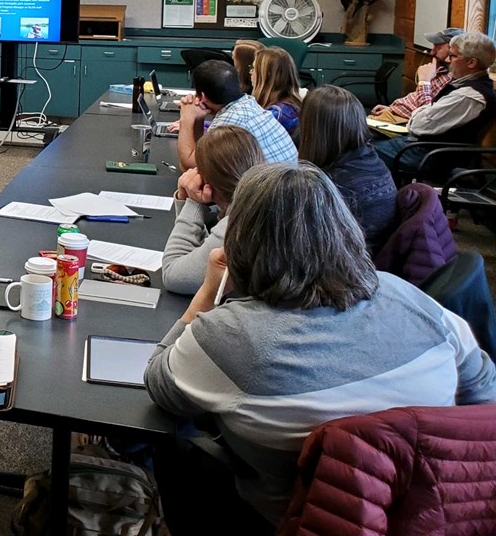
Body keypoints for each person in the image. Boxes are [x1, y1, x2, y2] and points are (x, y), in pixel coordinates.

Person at [144, 162, 496, 534]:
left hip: (284, 520)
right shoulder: (409, 297)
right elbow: (483, 397)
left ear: (240, 243)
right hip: (429, 518)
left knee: (172, 444)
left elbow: (158, 381)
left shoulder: (231, 335)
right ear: (344, 229)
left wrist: (207, 292)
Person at [373, 31, 496, 175]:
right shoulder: (465, 85)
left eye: (453, 56)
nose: (448, 60)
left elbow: (418, 126)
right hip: (422, 146)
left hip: (429, 155)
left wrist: (423, 87)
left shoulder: (469, 95)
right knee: (363, 142)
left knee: (360, 153)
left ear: (471, 62)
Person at [162, 126, 263, 295]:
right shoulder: (257, 199)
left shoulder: (239, 222)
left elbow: (173, 275)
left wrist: (193, 203)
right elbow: (200, 254)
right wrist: (185, 199)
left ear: (207, 181)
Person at [298, 85, 397, 253]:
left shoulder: (334, 186)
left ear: (312, 131)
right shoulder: (370, 159)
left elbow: (309, 247)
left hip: (351, 266)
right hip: (371, 256)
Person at [176, 59, 296, 168]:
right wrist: (198, 119)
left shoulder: (228, 123)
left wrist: (186, 119)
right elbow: (200, 155)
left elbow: (191, 166)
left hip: (271, 189)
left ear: (202, 96)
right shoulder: (248, 103)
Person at [371, 26, 462, 122]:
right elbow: (416, 98)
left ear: (453, 49)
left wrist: (424, 82)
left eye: (438, 47)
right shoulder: (441, 70)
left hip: (407, 122)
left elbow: (426, 115)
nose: (432, 52)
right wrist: (392, 108)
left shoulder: (454, 83)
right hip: (394, 112)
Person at [250, 45, 302, 136]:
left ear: (267, 75)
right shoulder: (293, 104)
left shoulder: (275, 115)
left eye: (254, 68)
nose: (250, 72)